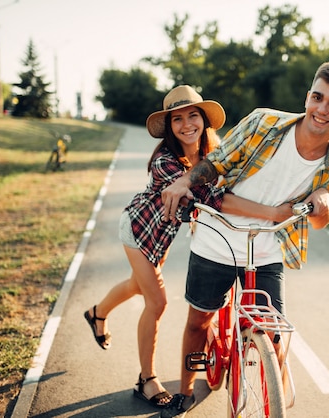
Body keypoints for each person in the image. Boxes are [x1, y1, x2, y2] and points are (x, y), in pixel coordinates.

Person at [160, 61, 329, 417]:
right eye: (318, 97)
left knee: (274, 336)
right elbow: (215, 164)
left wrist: (325, 204)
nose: (322, 108)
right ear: (308, 97)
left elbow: (322, 221)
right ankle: (186, 390)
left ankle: (272, 398)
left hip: (268, 246)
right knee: (199, 320)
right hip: (217, 236)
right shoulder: (263, 123)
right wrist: (184, 182)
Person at [83, 85, 292, 410]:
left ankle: (97, 313)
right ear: (169, 127)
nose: (186, 124)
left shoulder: (214, 152)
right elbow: (214, 199)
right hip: (140, 232)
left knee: (136, 286)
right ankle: (146, 380)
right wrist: (272, 213)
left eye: (192, 115)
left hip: (162, 237)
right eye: (177, 119)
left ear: (204, 120)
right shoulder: (165, 162)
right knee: (157, 302)